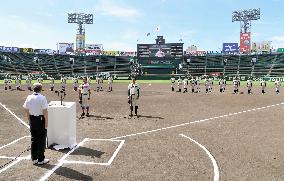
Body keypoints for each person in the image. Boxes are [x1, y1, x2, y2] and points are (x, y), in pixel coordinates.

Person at [23, 83, 49, 165]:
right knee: (41, 140)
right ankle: (41, 159)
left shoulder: (29, 97)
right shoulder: (42, 98)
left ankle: (34, 158)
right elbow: (45, 111)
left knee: (34, 139)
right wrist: (46, 123)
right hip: (40, 120)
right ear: (40, 89)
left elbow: (26, 109)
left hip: (32, 119)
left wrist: (29, 120)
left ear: (33, 89)